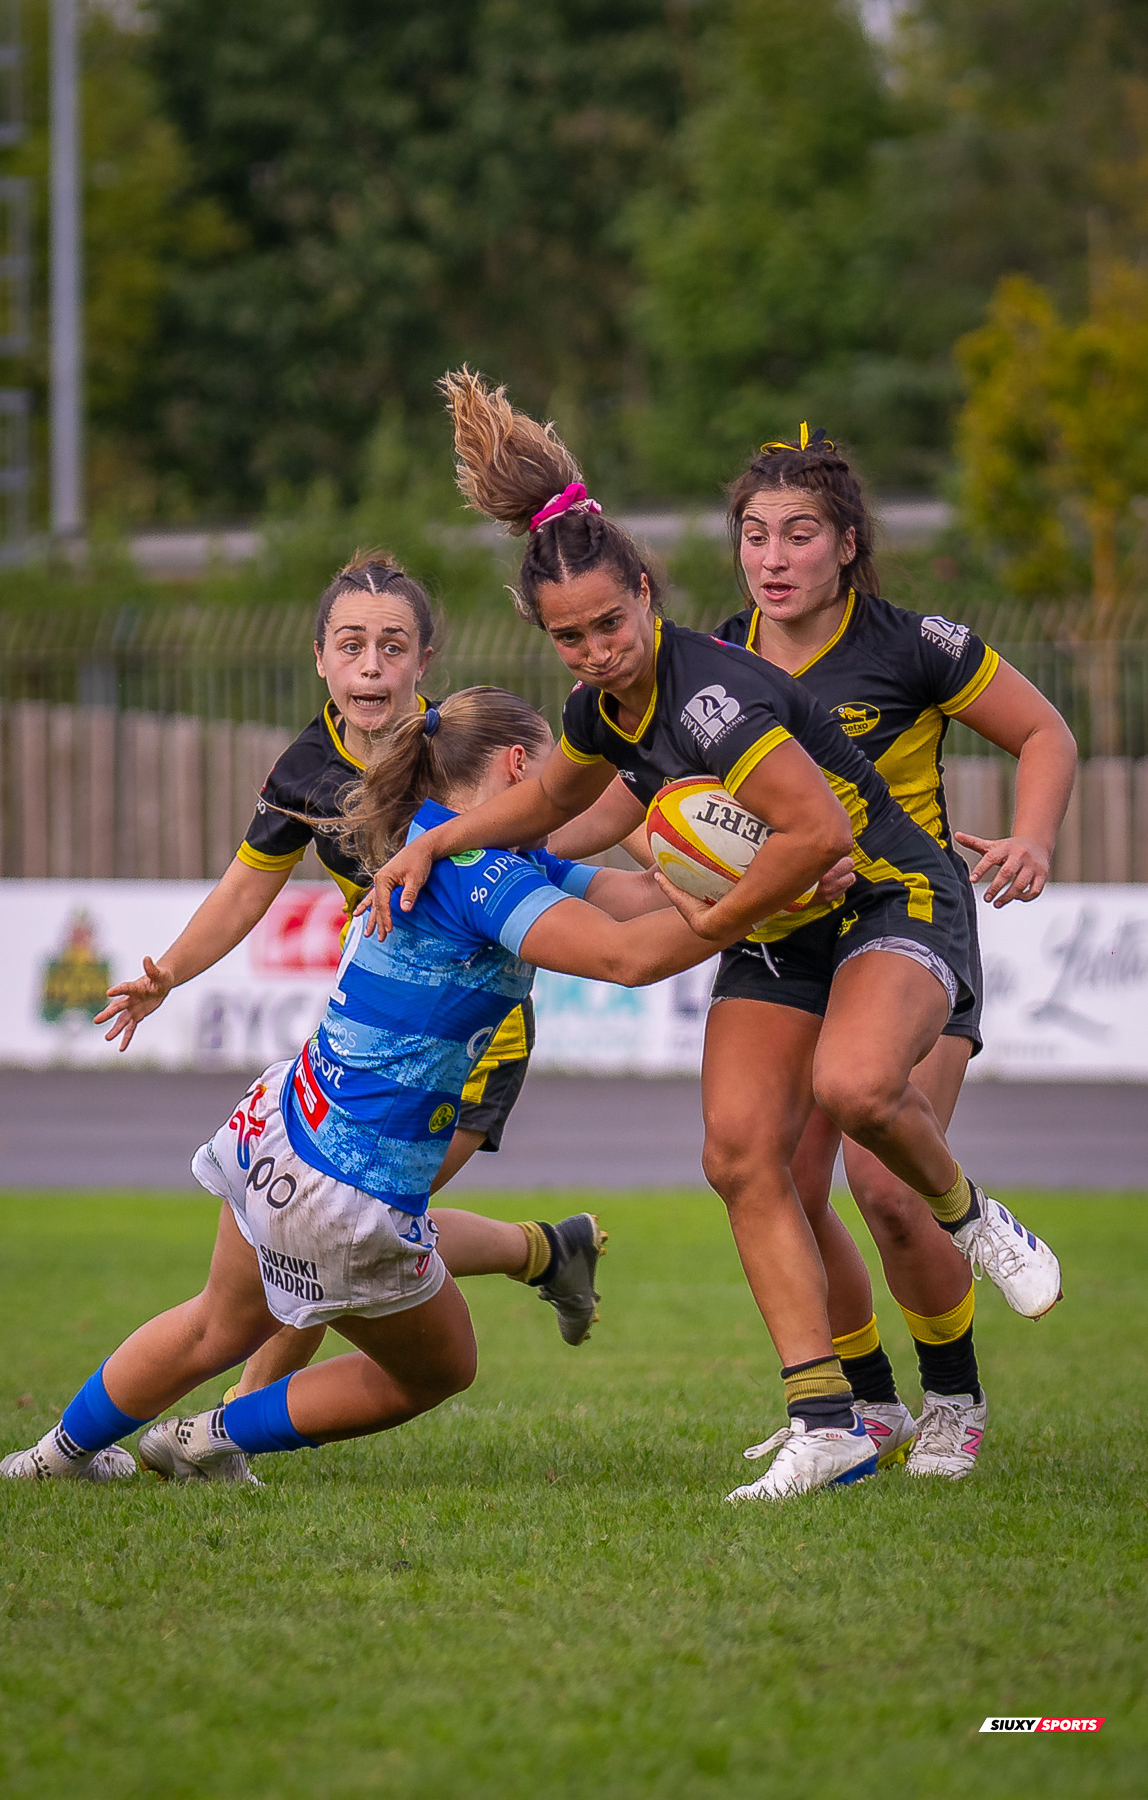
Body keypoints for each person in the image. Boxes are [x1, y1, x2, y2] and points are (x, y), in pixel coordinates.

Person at [363, 369, 1063, 1504]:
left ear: (646, 595)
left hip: (886, 897)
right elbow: (549, 801)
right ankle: (828, 1416)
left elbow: (820, 831)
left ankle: (971, 1227)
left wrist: (709, 918)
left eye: (607, 624)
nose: (592, 650)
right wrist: (437, 844)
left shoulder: (714, 698)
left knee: (852, 1095)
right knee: (742, 1158)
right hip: (790, 919)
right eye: (568, 637)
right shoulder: (606, 700)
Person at [0, 688, 719, 1487]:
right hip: (350, 1180)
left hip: (283, 1125)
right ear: (519, 765)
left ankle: (51, 1458)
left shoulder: (435, 838)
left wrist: (734, 880)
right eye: (551, 771)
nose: (558, 790)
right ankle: (209, 1436)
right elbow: (626, 959)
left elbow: (632, 901)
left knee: (216, 1324)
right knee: (436, 1371)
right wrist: (760, 899)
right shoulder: (483, 879)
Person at [559, 425, 1077, 1479]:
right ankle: (860, 1409)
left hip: (902, 913)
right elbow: (623, 792)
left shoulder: (911, 644)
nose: (773, 557)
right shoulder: (709, 659)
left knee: (887, 1186)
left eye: (798, 534)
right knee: (778, 1181)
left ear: (846, 543)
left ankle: (952, 1399)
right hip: (785, 931)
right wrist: (508, 841)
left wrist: (1030, 835)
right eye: (754, 536)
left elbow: (1044, 734)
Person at [94, 554, 595, 1390]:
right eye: (351, 644)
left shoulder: (464, 744)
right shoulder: (303, 769)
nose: (371, 665)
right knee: (360, 1223)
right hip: (375, 1038)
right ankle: (546, 1249)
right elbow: (246, 888)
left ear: (423, 663)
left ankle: (234, 1425)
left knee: (348, 1228)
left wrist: (673, 864)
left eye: (392, 646)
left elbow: (555, 824)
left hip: (477, 1039)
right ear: (320, 656)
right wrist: (169, 973)